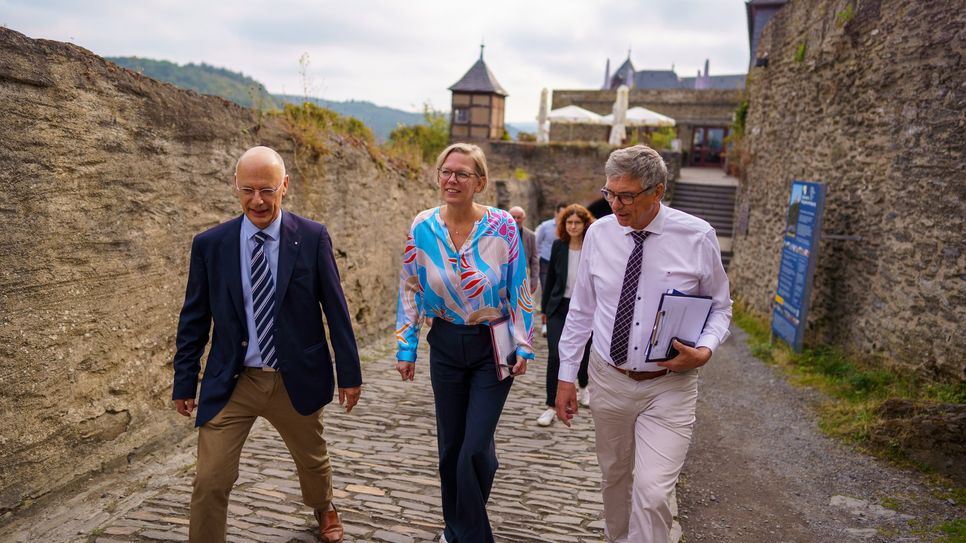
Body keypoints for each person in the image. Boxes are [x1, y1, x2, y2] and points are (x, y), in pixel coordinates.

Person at [171, 146, 362, 543]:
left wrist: (349, 374)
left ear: (285, 187)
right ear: (235, 187)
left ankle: (324, 506)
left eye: (267, 190)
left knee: (312, 460)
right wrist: (184, 381)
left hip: (294, 376)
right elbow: (193, 319)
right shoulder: (211, 244)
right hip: (234, 380)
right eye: (248, 190)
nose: (257, 200)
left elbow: (336, 309)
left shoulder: (311, 237)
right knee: (209, 478)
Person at [554, 145, 732, 543]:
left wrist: (704, 350)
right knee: (614, 477)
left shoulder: (697, 236)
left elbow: (721, 308)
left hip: (669, 386)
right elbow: (581, 310)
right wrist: (566, 377)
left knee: (652, 494)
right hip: (608, 378)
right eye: (610, 193)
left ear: (658, 192)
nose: (615, 205)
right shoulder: (599, 234)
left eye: (627, 196)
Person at [395, 143, 534, 543]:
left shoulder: (503, 226)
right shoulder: (423, 226)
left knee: (474, 449)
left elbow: (519, 287)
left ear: (480, 182)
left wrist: (523, 344)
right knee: (450, 448)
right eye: (446, 171)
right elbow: (409, 288)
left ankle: (468, 535)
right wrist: (407, 348)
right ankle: (455, 529)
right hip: (445, 344)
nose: (452, 179)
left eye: (462, 174)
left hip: (494, 345)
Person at [537, 204, 594, 426]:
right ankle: (551, 405)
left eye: (577, 223)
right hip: (559, 307)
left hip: (586, 309)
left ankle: (583, 385)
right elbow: (549, 280)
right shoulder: (558, 247)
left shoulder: (593, 247)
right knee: (555, 355)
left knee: (585, 351)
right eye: (569, 222)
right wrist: (544, 310)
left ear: (584, 224)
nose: (572, 226)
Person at [535, 202, 567, 336]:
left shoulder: (568, 227)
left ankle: (559, 322)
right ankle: (545, 324)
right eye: (561, 214)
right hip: (546, 263)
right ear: (556, 213)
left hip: (562, 264)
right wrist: (538, 258)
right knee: (546, 291)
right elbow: (536, 242)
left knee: (561, 292)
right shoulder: (545, 227)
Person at [509, 205, 539, 294]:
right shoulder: (502, 235)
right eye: (513, 217)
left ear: (523, 218)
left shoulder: (530, 236)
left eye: (519, 217)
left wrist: (534, 279)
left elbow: (534, 260)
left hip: (523, 277)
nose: (516, 220)